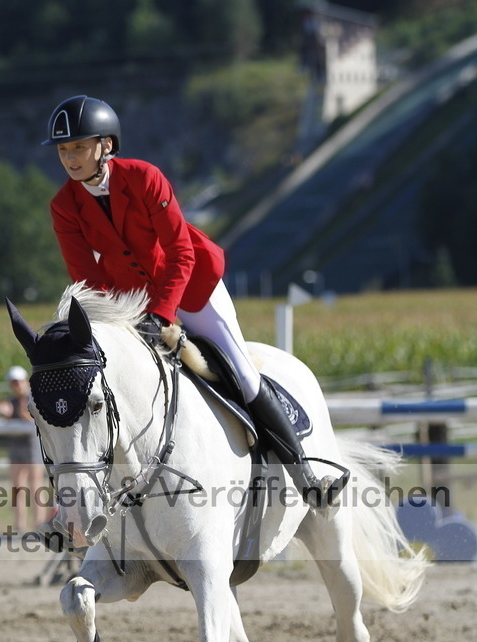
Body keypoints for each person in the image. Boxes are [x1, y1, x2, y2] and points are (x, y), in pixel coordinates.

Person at [42, 95, 343, 511]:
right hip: (130, 303)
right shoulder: (64, 206)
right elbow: (87, 281)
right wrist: (120, 322)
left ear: (106, 145)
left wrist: (162, 314)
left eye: (79, 147)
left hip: (191, 287)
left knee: (242, 373)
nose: (70, 158)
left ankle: (307, 476)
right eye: (63, 150)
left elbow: (180, 252)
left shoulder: (144, 177)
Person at [0, 366, 46, 531]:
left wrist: (20, 413)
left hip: (32, 445)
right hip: (16, 446)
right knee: (17, 486)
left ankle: (39, 523)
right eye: (13, 383)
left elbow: (37, 420)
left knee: (35, 485)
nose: (16, 386)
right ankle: (19, 525)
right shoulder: (11, 401)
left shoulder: (34, 398)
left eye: (18, 382)